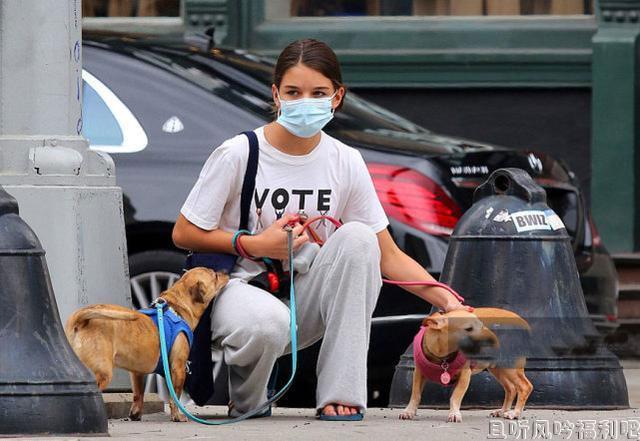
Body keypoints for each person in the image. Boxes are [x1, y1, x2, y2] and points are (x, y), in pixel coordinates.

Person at [172, 38, 469, 421]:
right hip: (238, 292)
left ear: (337, 97)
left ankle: (340, 393)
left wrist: (448, 301)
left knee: (360, 239)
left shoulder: (344, 160)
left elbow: (388, 255)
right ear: (276, 94)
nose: (305, 102)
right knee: (269, 322)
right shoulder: (239, 153)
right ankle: (249, 396)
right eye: (293, 92)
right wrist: (253, 243)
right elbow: (184, 232)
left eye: (318, 93)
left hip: (304, 296)